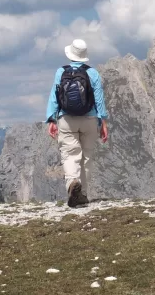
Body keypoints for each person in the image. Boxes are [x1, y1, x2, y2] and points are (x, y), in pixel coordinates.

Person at [46, 39, 109, 208]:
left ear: (70, 54)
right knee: (86, 157)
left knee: (70, 154)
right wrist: (102, 121)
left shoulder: (61, 72)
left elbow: (54, 96)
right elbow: (99, 99)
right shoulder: (93, 73)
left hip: (66, 119)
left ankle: (72, 184)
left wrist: (52, 119)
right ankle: (83, 195)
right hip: (89, 119)